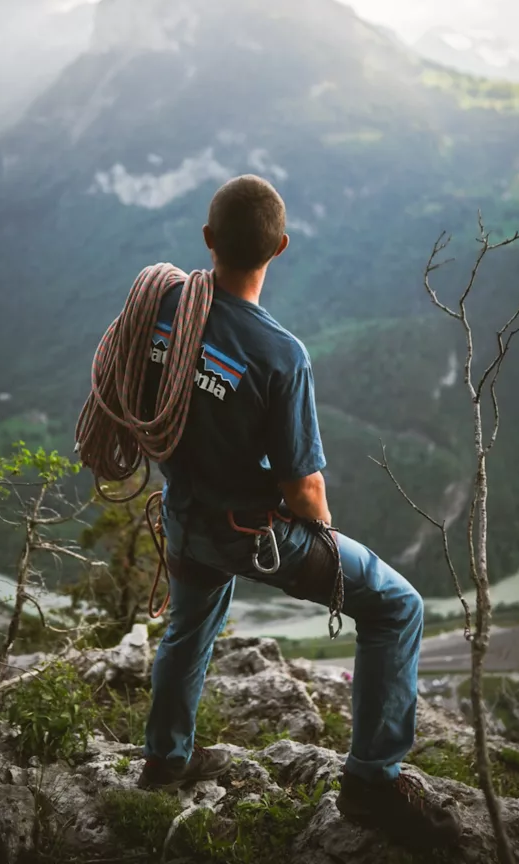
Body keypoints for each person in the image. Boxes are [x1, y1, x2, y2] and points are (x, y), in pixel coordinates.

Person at [136, 175, 461, 850]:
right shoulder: (278, 354)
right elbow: (302, 490)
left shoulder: (161, 302)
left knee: (190, 626)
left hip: (183, 512)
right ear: (280, 248)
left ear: (206, 240)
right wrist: (322, 533)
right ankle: (371, 778)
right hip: (248, 532)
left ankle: (165, 759)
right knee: (397, 606)